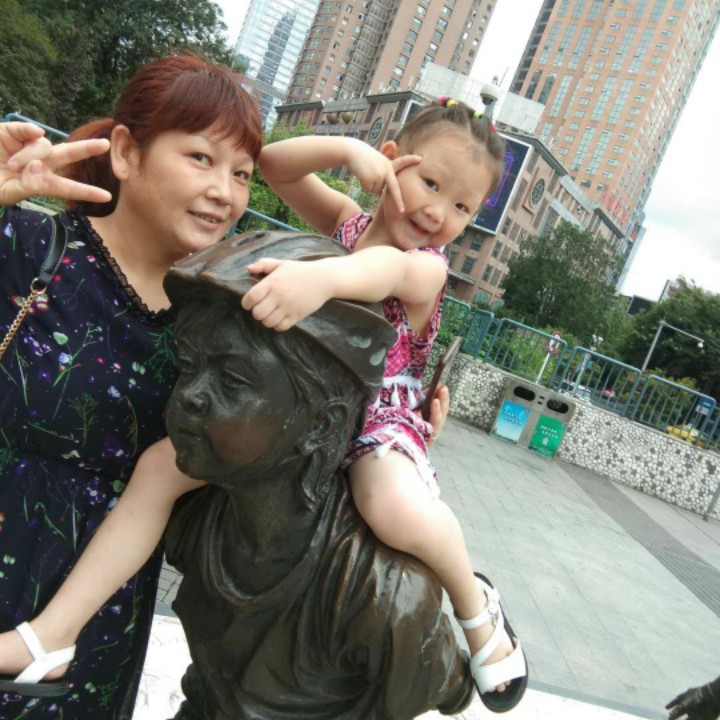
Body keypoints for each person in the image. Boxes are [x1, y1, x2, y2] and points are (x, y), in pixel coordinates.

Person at [240, 96, 528, 713]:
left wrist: (320, 278)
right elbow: (273, 165)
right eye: (431, 183)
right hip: (305, 397)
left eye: (462, 207)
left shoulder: (427, 269)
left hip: (376, 415)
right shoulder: (346, 221)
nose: (438, 212)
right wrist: (349, 151)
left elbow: (386, 273)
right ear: (392, 160)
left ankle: (476, 609)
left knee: (393, 509)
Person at [0, 52, 263, 718]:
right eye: (201, 158)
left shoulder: (221, 329)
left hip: (96, 630)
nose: (225, 192)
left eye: (242, 173)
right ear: (125, 152)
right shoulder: (29, 249)